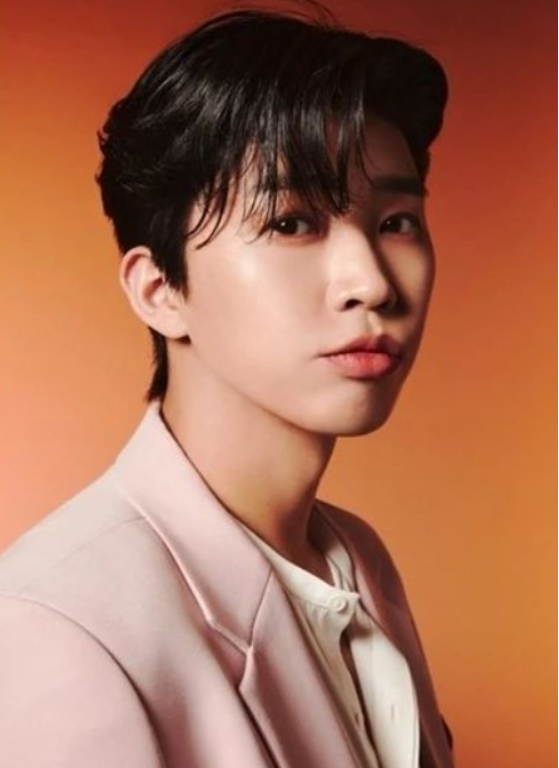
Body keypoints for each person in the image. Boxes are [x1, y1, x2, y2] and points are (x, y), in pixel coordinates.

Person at [0, 7, 453, 768]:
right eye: (291, 224)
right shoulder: (56, 628)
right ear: (159, 291)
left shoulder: (358, 562)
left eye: (397, 221)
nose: (371, 283)